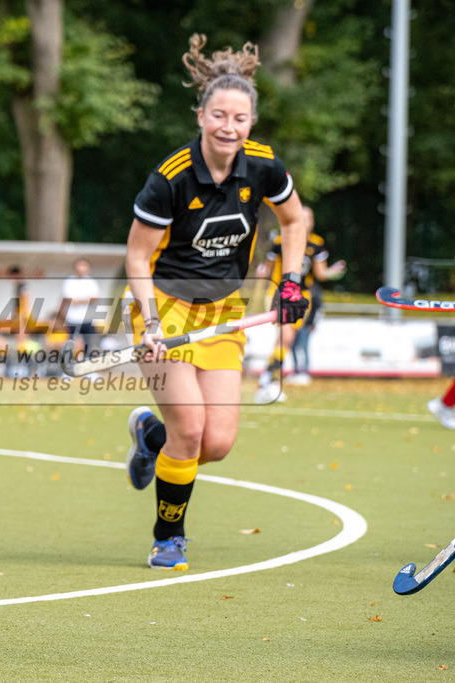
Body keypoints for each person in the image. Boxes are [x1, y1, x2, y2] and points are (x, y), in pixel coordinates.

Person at [122, 35, 308, 571]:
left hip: (224, 310)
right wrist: (152, 325)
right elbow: (137, 257)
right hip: (164, 305)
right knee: (191, 431)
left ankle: (149, 435)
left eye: (241, 118)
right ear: (201, 115)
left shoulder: (265, 167)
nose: (229, 127)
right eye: (219, 115)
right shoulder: (171, 178)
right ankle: (168, 537)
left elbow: (295, 219)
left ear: (251, 122)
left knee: (218, 442)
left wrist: (291, 282)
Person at [253, 205, 345, 401]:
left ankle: (268, 377)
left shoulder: (317, 244)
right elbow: (267, 270)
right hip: (279, 293)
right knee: (285, 337)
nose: (304, 223)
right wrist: (260, 277)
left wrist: (333, 272)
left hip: (303, 297)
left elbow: (320, 273)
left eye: (308, 219)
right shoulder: (279, 241)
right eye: (300, 218)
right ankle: (268, 380)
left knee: (287, 339)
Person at [61, 258, 102, 355]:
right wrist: (86, 300)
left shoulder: (91, 281)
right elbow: (69, 299)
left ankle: (87, 365)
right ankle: (69, 364)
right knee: (71, 343)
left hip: (87, 318)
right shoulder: (69, 281)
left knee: (88, 343)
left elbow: (95, 298)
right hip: (73, 319)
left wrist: (79, 300)